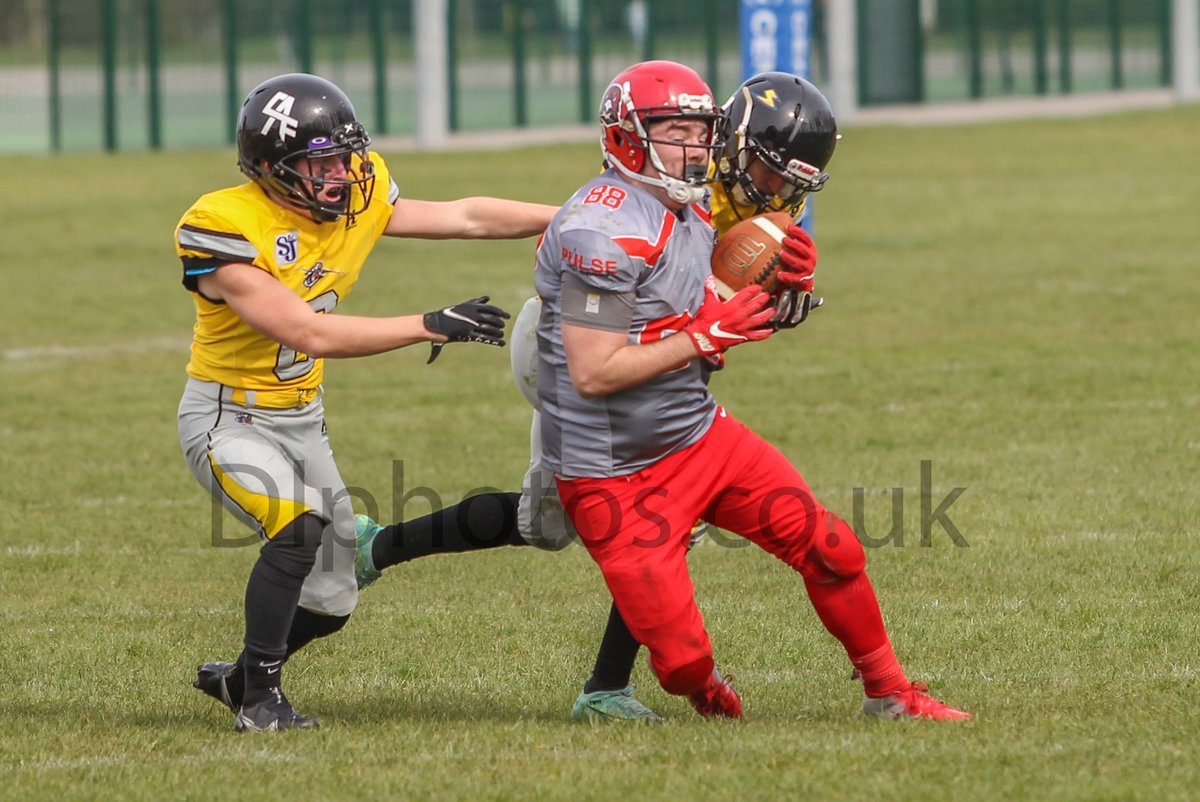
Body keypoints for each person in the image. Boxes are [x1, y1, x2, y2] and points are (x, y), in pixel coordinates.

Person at [529, 59, 970, 722]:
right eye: (675, 130)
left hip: (696, 433)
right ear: (626, 136)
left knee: (832, 547)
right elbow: (595, 371)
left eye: (701, 129)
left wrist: (781, 292)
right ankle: (692, 686)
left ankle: (892, 694)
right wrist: (708, 337)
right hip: (612, 469)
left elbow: (705, 298)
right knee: (681, 665)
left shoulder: (693, 204)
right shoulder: (600, 229)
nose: (696, 146)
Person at [177, 72, 556, 732]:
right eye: (318, 163)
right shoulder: (222, 225)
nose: (341, 176)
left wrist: (573, 218)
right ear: (268, 169)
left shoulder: (359, 192)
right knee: (296, 529)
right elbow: (307, 331)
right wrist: (427, 323)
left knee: (333, 595)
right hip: (228, 418)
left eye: (344, 157)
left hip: (301, 418)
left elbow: (464, 216)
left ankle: (241, 679)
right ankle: (261, 704)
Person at [505, 70, 837, 722]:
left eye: (790, 184)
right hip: (581, 348)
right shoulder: (677, 168)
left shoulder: (772, 200)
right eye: (770, 175)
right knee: (561, 524)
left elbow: (724, 291)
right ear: (734, 142)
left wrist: (781, 299)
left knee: (626, 523)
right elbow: (607, 258)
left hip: (659, 356)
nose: (778, 194)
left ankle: (604, 689)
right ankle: (381, 548)